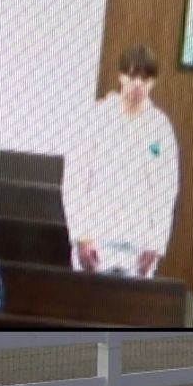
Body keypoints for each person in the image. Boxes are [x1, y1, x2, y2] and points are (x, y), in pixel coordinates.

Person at [62, 44, 180, 278]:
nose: (137, 84)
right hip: (96, 235)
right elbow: (75, 179)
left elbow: (166, 190)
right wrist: (81, 235)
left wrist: (155, 242)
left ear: (153, 82)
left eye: (145, 79)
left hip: (138, 241)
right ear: (120, 76)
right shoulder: (96, 117)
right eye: (132, 76)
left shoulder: (160, 128)